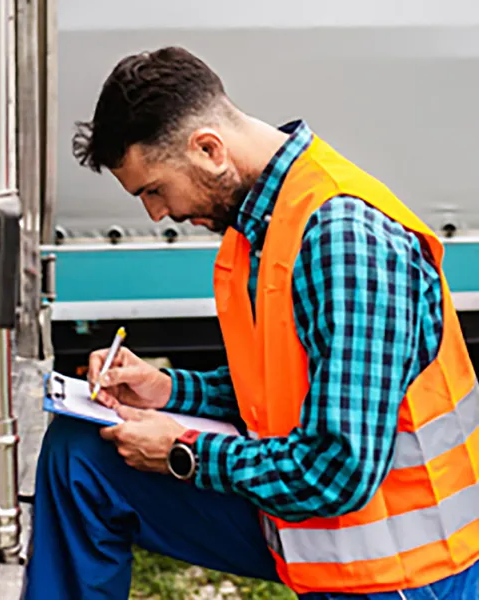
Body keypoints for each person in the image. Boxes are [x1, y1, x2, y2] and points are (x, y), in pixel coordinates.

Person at [24, 47, 479, 599]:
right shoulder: (261, 225)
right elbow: (281, 393)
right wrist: (166, 389)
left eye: (154, 190)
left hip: (401, 569)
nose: (156, 214)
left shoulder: (344, 238)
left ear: (209, 149)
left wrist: (180, 451)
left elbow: (338, 470)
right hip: (319, 529)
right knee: (81, 453)